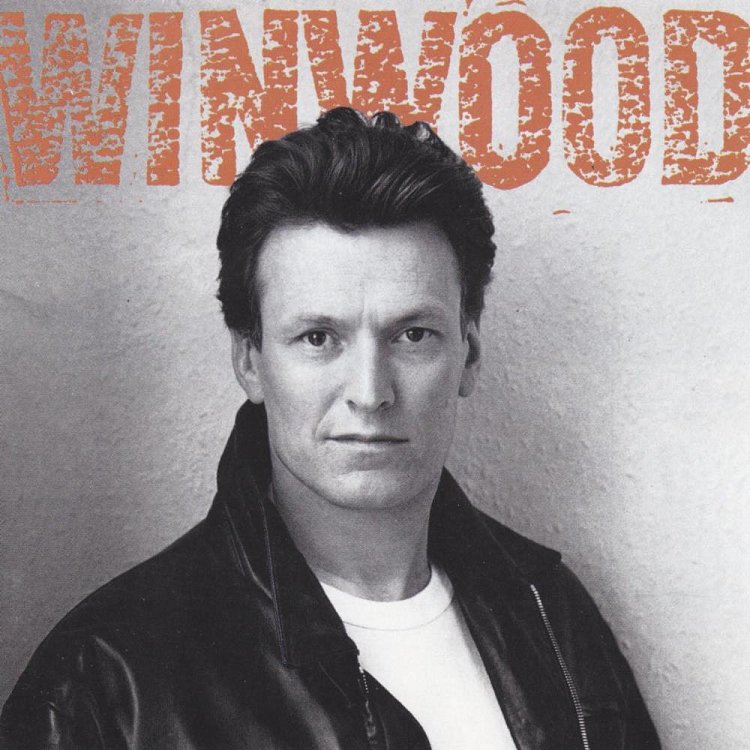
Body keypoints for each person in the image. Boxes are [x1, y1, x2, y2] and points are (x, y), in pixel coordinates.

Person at [0, 107, 661, 749]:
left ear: (470, 355)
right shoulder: (102, 680)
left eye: (413, 335)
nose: (370, 393)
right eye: (319, 338)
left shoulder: (552, 614)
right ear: (250, 361)